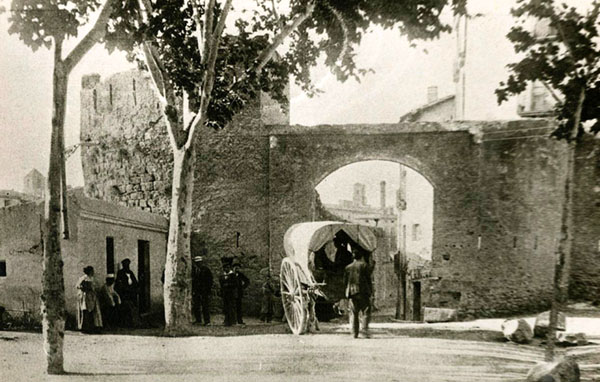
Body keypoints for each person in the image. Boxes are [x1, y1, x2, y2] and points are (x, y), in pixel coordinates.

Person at [343, 248, 372, 338]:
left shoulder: (348, 267)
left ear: (353, 257)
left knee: (354, 312)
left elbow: (345, 281)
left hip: (351, 293)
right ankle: (364, 332)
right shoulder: (364, 265)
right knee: (366, 311)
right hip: (363, 291)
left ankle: (354, 333)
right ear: (361, 256)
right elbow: (368, 279)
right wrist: (370, 291)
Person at [76, 266, 103, 334]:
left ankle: (94, 327)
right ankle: (84, 327)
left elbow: (96, 287)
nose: (93, 272)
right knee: (85, 311)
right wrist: (84, 288)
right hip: (86, 296)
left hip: (92, 296)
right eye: (92, 271)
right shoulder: (83, 278)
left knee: (94, 312)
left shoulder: (93, 279)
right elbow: (77, 286)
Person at [115, 258, 139, 327]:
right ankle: (127, 322)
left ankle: (134, 321)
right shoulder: (120, 273)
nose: (127, 266)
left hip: (131, 292)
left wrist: (135, 288)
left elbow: (135, 281)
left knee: (134, 306)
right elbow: (119, 284)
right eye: (125, 265)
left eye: (128, 264)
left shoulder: (130, 272)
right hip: (124, 293)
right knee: (126, 307)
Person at [192, 255, 213, 325]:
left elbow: (210, 280)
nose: (198, 264)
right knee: (196, 306)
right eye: (197, 263)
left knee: (205, 306)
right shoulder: (194, 270)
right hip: (197, 291)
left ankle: (207, 321)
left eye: (199, 262)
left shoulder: (206, 270)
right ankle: (198, 320)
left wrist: (207, 289)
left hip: (204, 291)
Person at [219, 259, 237, 326]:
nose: (226, 269)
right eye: (225, 268)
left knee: (231, 306)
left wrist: (228, 285)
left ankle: (231, 320)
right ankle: (226, 319)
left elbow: (235, 284)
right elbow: (221, 283)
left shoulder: (232, 275)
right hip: (225, 293)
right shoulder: (222, 276)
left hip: (231, 293)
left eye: (227, 267)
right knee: (225, 307)